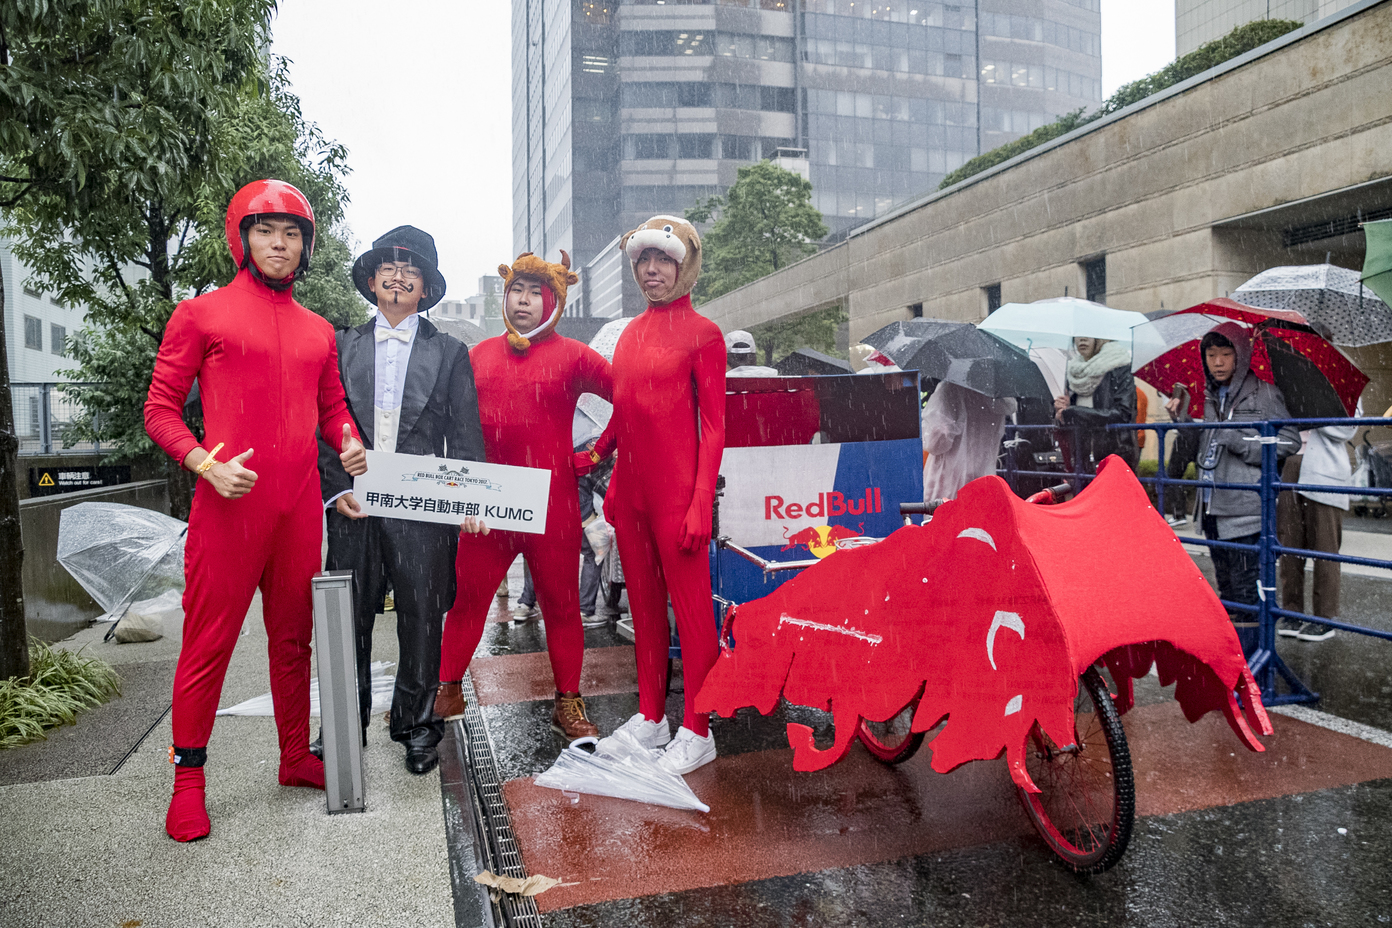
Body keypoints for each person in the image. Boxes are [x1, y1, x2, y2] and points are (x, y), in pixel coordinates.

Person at [144, 179, 367, 842]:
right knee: (208, 644)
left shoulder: (319, 330)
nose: (280, 243)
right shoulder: (201, 314)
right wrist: (204, 463)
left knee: (294, 639)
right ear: (242, 238)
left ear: (305, 246)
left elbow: (331, 410)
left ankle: (295, 756)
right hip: (228, 506)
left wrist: (351, 444)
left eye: (292, 233)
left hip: (298, 510)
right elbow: (159, 410)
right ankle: (188, 781)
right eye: (267, 231)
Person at [315, 226, 486, 776]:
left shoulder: (452, 353)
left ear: (425, 286)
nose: (398, 277)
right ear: (371, 280)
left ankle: (416, 724)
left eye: (410, 270)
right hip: (354, 505)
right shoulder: (340, 345)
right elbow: (321, 425)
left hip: (422, 510)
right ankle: (344, 723)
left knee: (422, 616)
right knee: (349, 616)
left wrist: (473, 498)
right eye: (388, 268)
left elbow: (464, 434)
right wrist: (336, 488)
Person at [434, 251, 613, 740]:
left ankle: (568, 702)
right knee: (466, 601)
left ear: (553, 302)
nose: (525, 301)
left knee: (561, 606)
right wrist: (454, 489)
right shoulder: (476, 356)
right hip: (488, 507)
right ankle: (446, 690)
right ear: (505, 296)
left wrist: (596, 454)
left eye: (537, 293)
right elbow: (445, 423)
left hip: (552, 506)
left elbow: (629, 396)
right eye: (518, 291)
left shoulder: (574, 355)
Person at [585, 215, 726, 775]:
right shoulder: (629, 334)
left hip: (677, 496)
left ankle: (699, 727)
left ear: (684, 265)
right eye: (643, 260)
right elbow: (626, 412)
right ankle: (651, 718)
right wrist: (603, 466)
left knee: (691, 613)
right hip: (635, 494)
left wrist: (699, 502)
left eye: (662, 260)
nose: (651, 270)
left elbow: (714, 427)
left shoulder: (704, 335)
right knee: (643, 610)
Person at [1165, 323, 1299, 657]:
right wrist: (1183, 422)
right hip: (1211, 506)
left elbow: (1288, 440)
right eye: (1211, 355)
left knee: (1247, 591)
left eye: (1226, 354)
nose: (1218, 362)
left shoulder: (1265, 393)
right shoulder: (1210, 396)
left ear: (1241, 356)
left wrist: (1241, 442)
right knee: (1226, 591)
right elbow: (1207, 444)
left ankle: (1255, 666)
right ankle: (1237, 665)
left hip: (1244, 508)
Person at [1277, 405, 1359, 642]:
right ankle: (1292, 612)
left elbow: (1348, 430)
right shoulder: (1288, 378)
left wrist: (1313, 411)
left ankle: (1324, 618)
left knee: (1325, 546)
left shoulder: (1338, 380)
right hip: (1291, 463)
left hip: (1325, 468)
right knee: (1289, 546)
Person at [1053, 336, 1140, 472]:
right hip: (1082, 456)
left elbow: (1123, 413)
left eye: (1088, 334)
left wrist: (1073, 412)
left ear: (1100, 338)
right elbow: (1068, 416)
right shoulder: (1074, 371)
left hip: (1114, 453)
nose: (1082, 340)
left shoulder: (1119, 366)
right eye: (1077, 335)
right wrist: (1063, 409)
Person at [921, 381, 1017, 502]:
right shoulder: (998, 396)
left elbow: (936, 443)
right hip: (983, 474)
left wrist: (925, 427)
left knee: (942, 516)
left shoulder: (950, 388)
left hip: (949, 478)